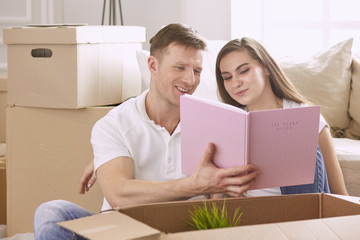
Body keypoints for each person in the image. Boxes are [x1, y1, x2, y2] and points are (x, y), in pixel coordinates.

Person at [34, 24, 259, 240]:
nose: (190, 80)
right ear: (153, 65)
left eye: (197, 71)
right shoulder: (115, 124)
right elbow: (118, 194)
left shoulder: (215, 123)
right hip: (122, 233)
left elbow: (217, 207)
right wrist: (194, 185)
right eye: (179, 68)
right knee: (51, 213)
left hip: (186, 232)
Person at [214, 37, 348, 197]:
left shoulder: (307, 117)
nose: (235, 83)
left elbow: (340, 193)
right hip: (252, 214)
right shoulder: (230, 122)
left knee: (300, 138)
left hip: (302, 213)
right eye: (227, 77)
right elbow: (217, 196)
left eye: (243, 71)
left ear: (266, 68)